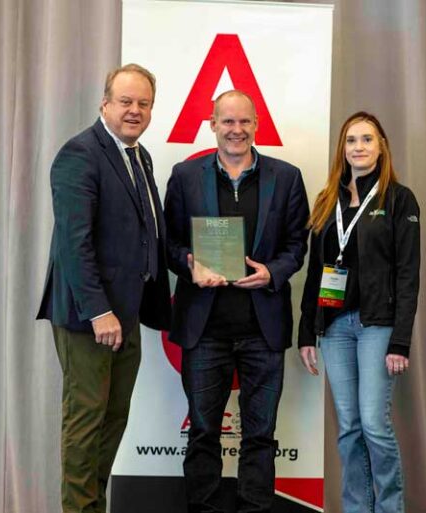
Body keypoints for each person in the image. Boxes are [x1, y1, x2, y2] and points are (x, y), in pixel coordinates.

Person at [164, 90, 309, 513]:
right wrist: (188, 263)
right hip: (204, 328)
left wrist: (273, 273)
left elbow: (297, 244)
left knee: (260, 434)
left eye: (244, 121)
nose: (236, 129)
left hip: (262, 328)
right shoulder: (186, 176)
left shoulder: (286, 177)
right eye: (227, 121)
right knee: (204, 432)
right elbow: (168, 241)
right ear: (212, 124)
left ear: (256, 124)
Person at [36, 63, 172, 513]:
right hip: (88, 317)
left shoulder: (140, 155)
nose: (135, 111)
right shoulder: (80, 154)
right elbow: (74, 245)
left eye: (143, 104)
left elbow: (145, 231)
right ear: (105, 104)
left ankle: (92, 507)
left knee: (113, 419)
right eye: (126, 102)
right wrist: (98, 311)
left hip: (126, 314)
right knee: (86, 420)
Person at [298, 112, 421, 513]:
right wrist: (306, 332)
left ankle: (388, 508)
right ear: (343, 149)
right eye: (351, 140)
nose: (359, 147)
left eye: (367, 139)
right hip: (334, 327)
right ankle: (356, 508)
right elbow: (316, 272)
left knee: (374, 425)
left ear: (381, 145)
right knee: (348, 429)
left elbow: (408, 275)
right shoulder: (326, 200)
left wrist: (400, 339)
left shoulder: (399, 199)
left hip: (377, 328)